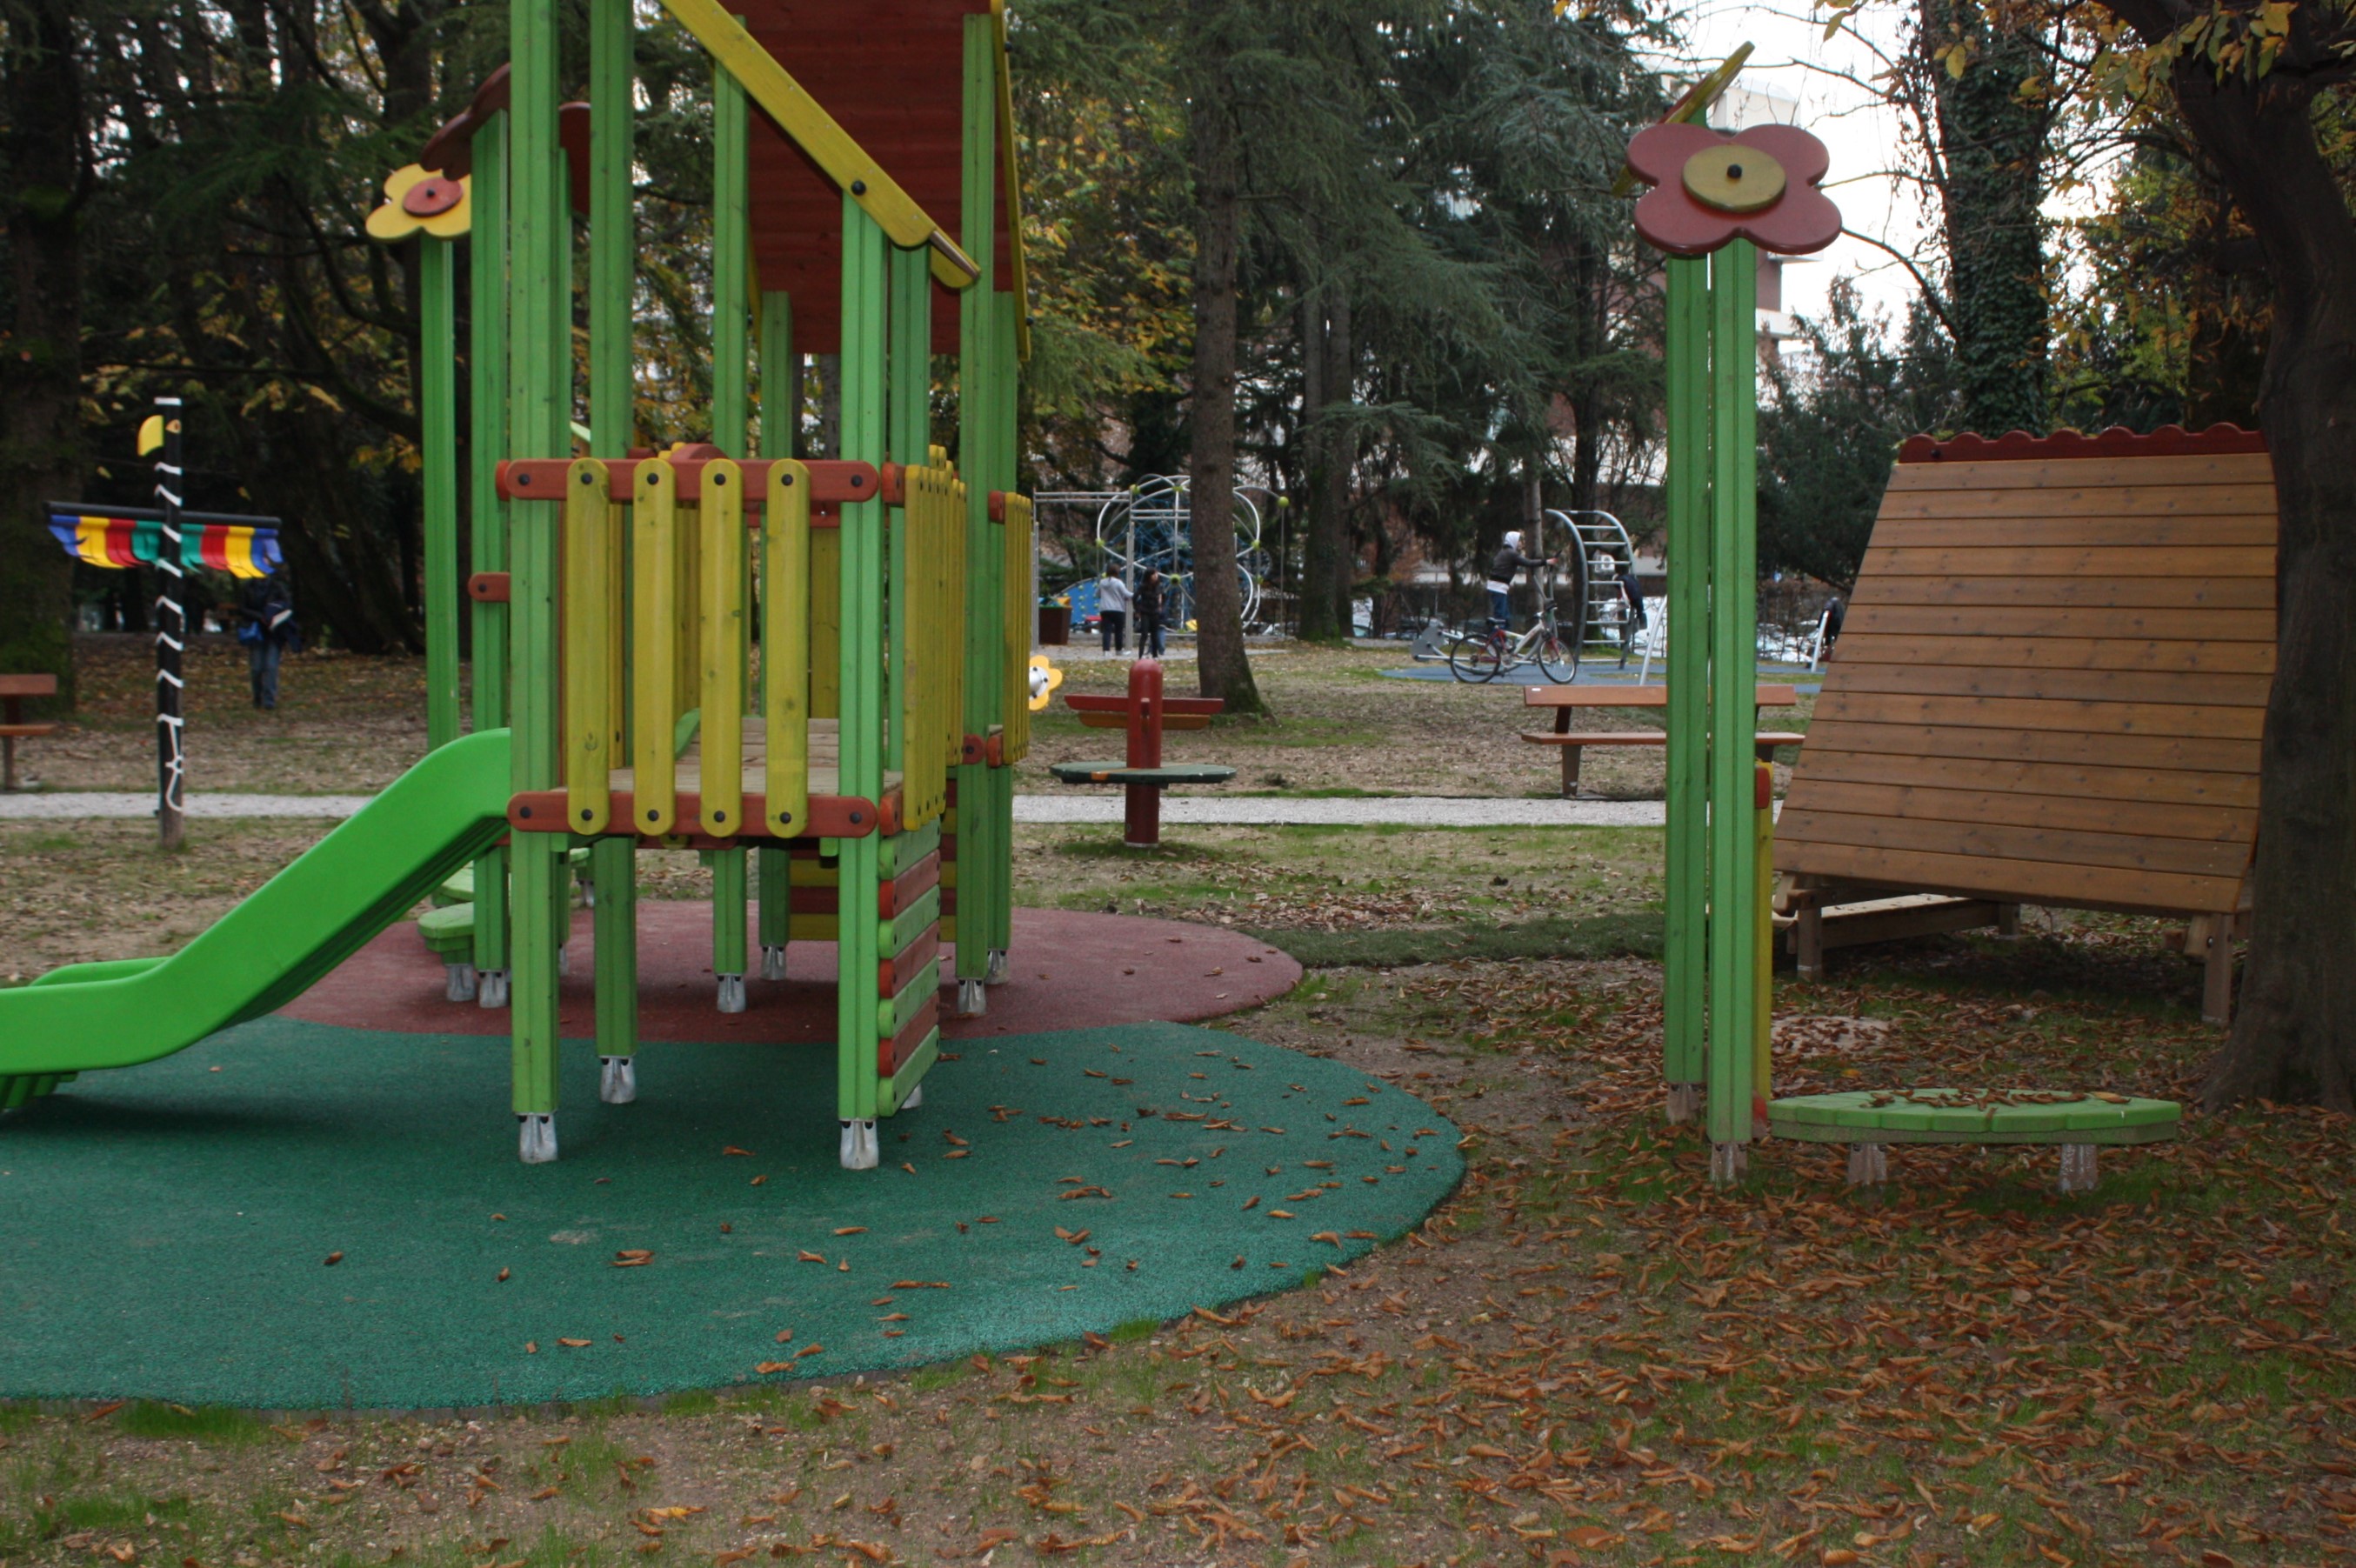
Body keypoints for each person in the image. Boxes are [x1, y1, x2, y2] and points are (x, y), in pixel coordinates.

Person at [230, 575, 297, 711]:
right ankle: (257, 696)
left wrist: (273, 614)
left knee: (271, 666)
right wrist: (259, 616)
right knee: (257, 667)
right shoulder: (248, 587)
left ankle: (269, 699)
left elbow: (287, 604)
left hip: (275, 631)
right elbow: (242, 608)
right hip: (256, 631)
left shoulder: (277, 586)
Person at [1485, 530, 1552, 631]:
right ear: (1513, 541)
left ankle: (1502, 639)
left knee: (1506, 619)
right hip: (1498, 588)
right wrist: (1546, 562)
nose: (1520, 543)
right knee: (1501, 619)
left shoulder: (1504, 552)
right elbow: (1528, 562)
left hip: (1497, 588)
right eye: (1519, 541)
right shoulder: (1511, 554)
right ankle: (1496, 639)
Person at [1095, 568, 1130, 653]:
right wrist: (1136, 595)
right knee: (1119, 630)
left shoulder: (1102, 582)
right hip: (1118, 609)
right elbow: (1126, 594)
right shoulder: (1118, 582)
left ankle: (1106, 651)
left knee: (1107, 630)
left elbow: (1097, 594)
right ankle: (1118, 650)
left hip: (1105, 609)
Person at [1136, 569, 1166, 657]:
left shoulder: (1159, 586)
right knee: (1144, 633)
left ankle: (1155, 654)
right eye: (1153, 574)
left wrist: (1160, 606)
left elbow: (1163, 596)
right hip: (1145, 611)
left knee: (1154, 634)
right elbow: (1135, 597)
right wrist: (1138, 610)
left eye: (1156, 574)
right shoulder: (1143, 586)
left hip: (1155, 612)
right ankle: (1140, 654)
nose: (1156, 576)